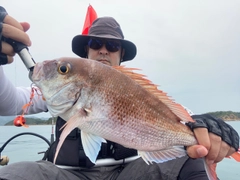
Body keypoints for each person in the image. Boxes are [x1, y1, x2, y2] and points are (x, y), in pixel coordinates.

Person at [0, 9, 239, 180]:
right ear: (87, 51)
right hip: (69, 173)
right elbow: (7, 103)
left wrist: (211, 126)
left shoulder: (142, 93)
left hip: (133, 171)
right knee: (13, 174)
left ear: (121, 54)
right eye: (95, 43)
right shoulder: (55, 90)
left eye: (113, 46)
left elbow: (189, 120)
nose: (104, 50)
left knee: (194, 157)